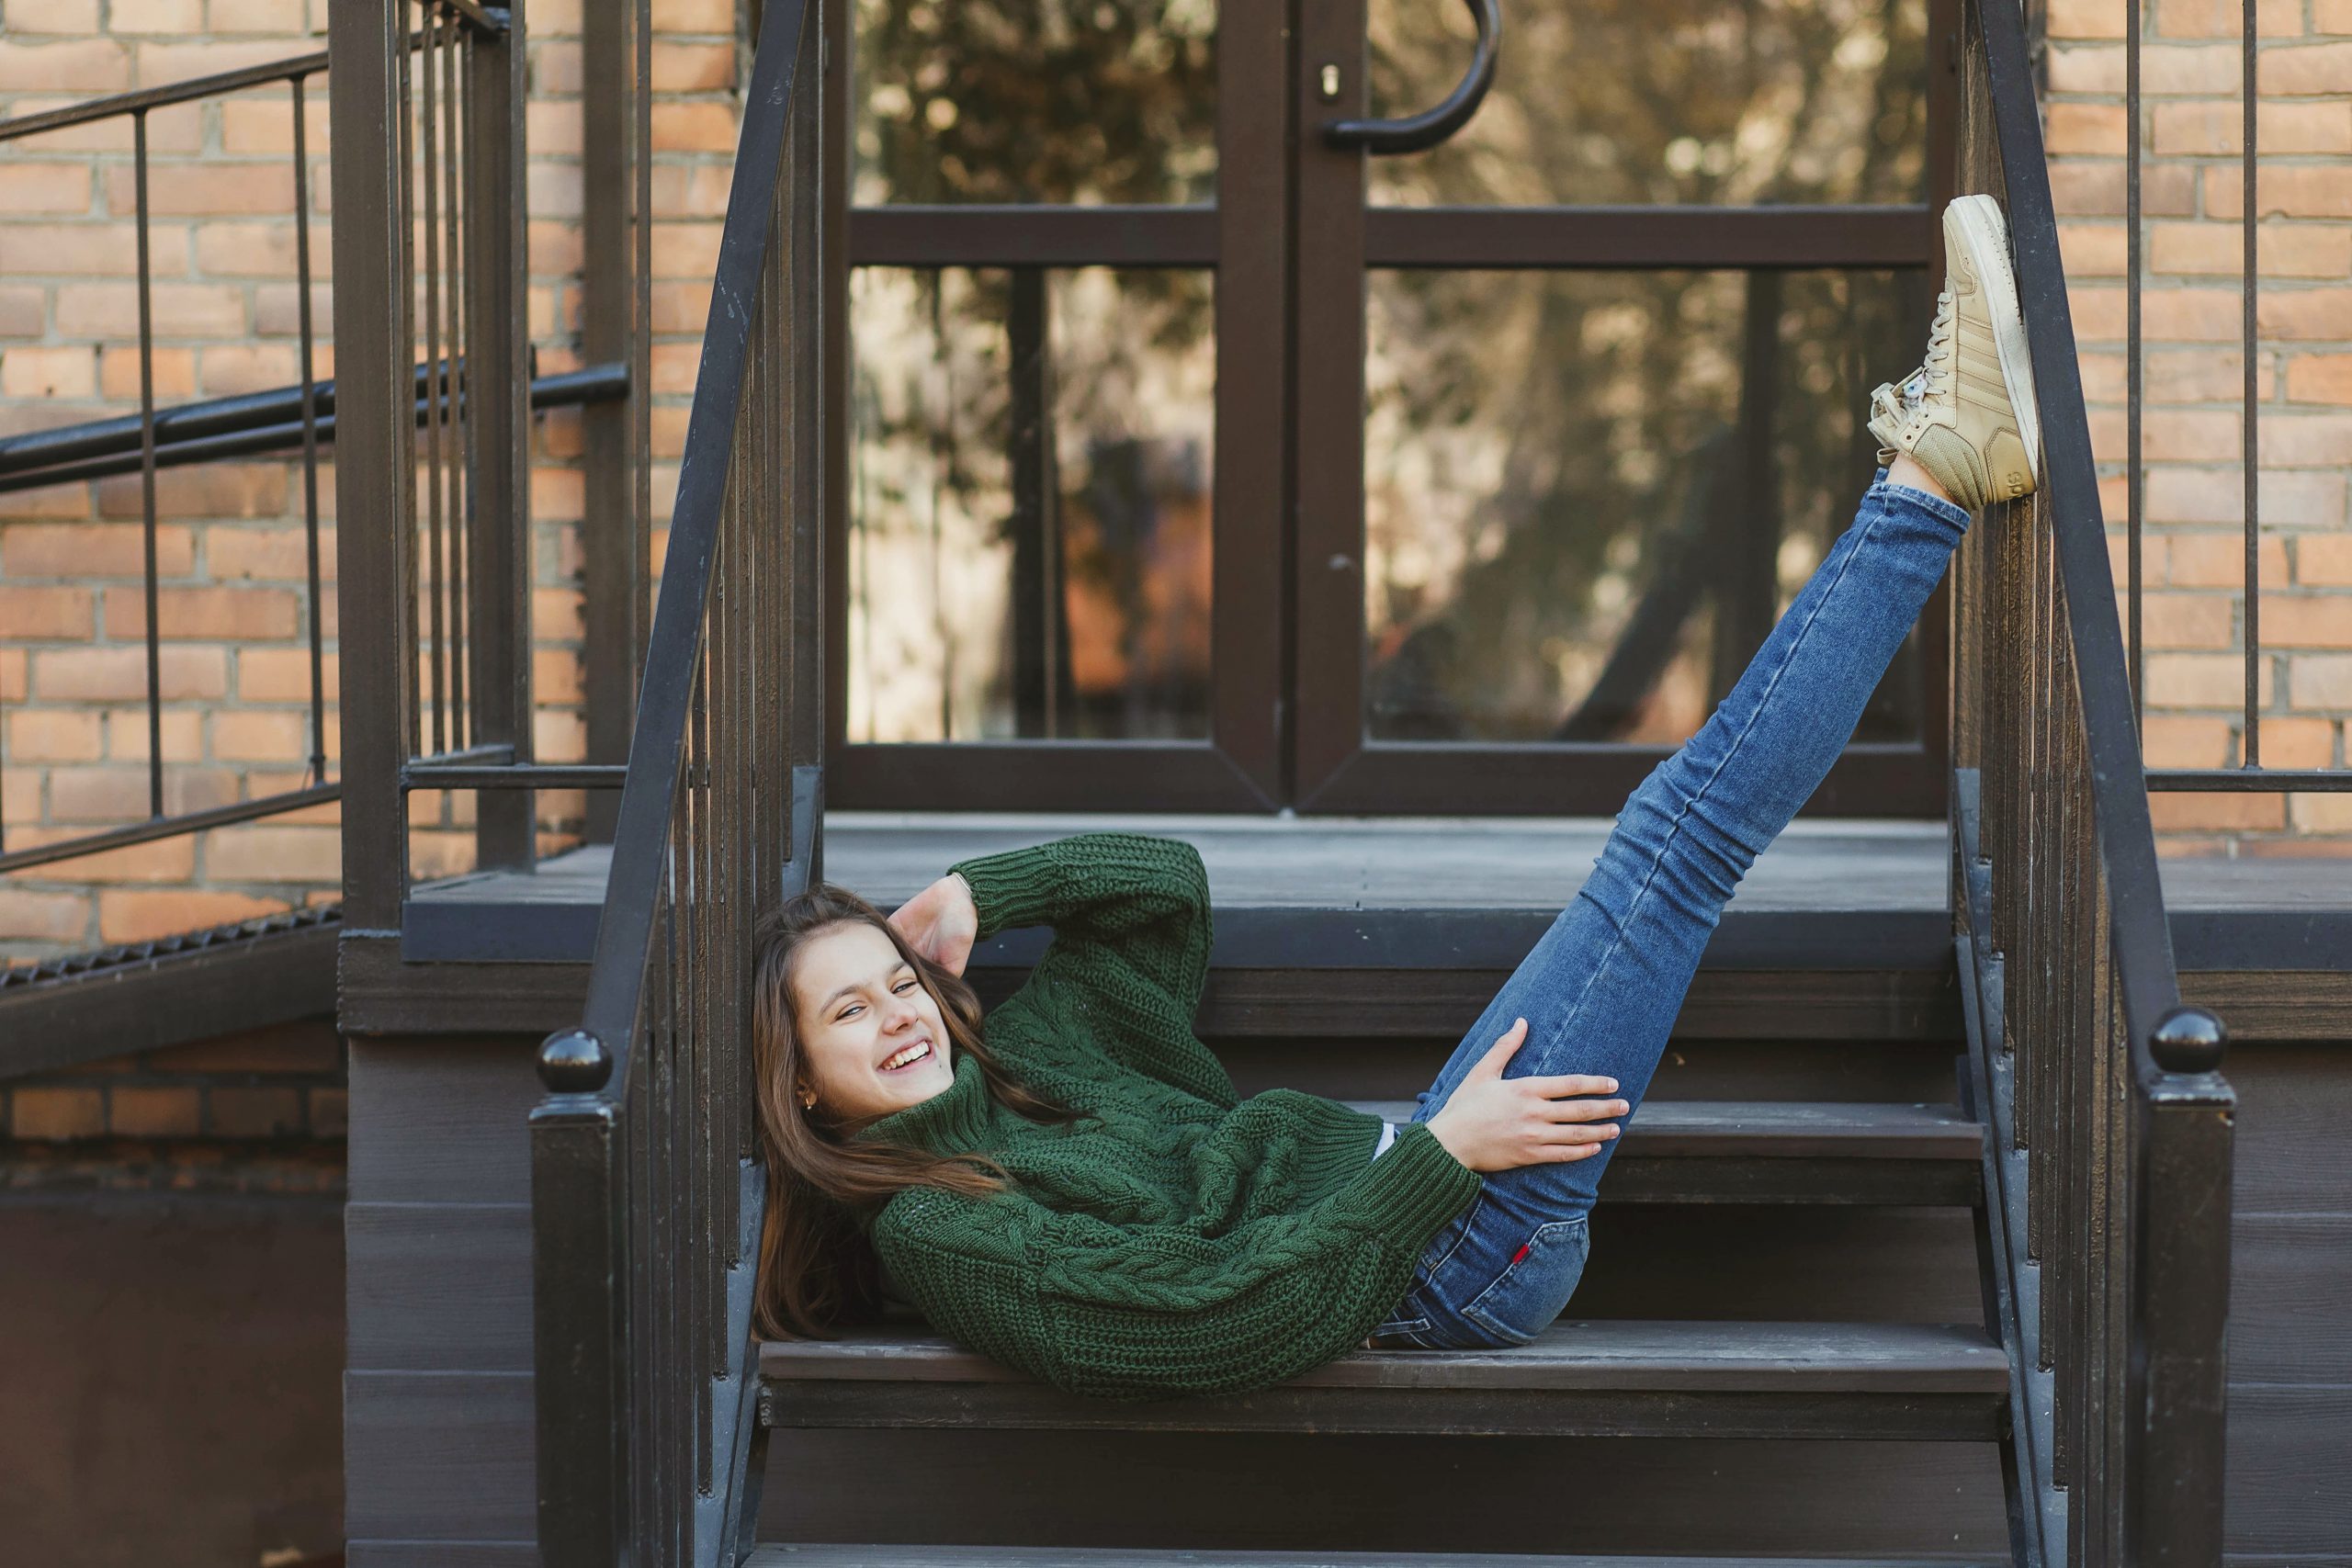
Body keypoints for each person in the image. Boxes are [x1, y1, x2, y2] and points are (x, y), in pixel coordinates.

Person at [746, 193, 2041, 1399]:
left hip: (1424, 1169)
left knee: (1674, 844)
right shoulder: (937, 1229)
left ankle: (1941, 457)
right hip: (1447, 1260)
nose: (898, 1017)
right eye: (848, 1013)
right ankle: (1931, 475)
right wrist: (1440, 1163)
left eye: (897, 982)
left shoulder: (1035, 1060)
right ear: (803, 1084)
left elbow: (1162, 894)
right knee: (1677, 844)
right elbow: (1211, 1319)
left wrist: (988, 888)